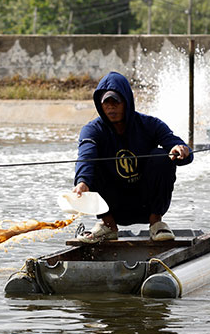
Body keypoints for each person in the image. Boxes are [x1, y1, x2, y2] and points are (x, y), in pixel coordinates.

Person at [72, 71, 193, 243]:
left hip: (145, 203)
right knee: (92, 165)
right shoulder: (92, 130)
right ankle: (108, 226)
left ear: (127, 102)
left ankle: (156, 224)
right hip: (112, 205)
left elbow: (180, 148)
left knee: (161, 156)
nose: (111, 107)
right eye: (106, 103)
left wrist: (180, 150)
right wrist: (82, 182)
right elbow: (86, 156)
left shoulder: (150, 124)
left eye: (116, 102)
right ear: (100, 105)